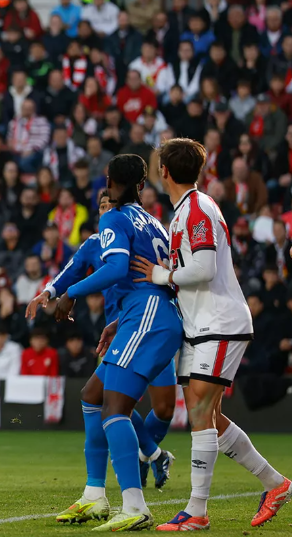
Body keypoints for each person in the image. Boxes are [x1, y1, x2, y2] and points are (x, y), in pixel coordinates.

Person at [131, 139, 290, 530]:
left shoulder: (198, 208)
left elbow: (202, 269)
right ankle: (276, 484)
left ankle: (197, 510)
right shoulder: (186, 210)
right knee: (208, 416)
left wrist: (161, 274)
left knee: (201, 412)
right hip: (199, 323)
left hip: (219, 322)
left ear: (163, 171)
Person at [51, 154, 182, 531]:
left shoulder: (113, 217)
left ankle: (135, 505)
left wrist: (70, 293)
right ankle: (94, 495)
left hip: (146, 317)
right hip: (148, 316)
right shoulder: (155, 222)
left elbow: (116, 268)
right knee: (92, 396)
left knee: (114, 410)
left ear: (110, 181)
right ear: (142, 184)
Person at [29, 191, 176, 495]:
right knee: (104, 398)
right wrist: (50, 291)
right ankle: (144, 461)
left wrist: (71, 295)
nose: (107, 210)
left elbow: (129, 272)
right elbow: (71, 270)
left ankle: (146, 456)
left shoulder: (137, 236)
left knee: (163, 409)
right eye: (102, 207)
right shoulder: (94, 244)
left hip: (145, 324)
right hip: (120, 333)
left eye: (111, 205)